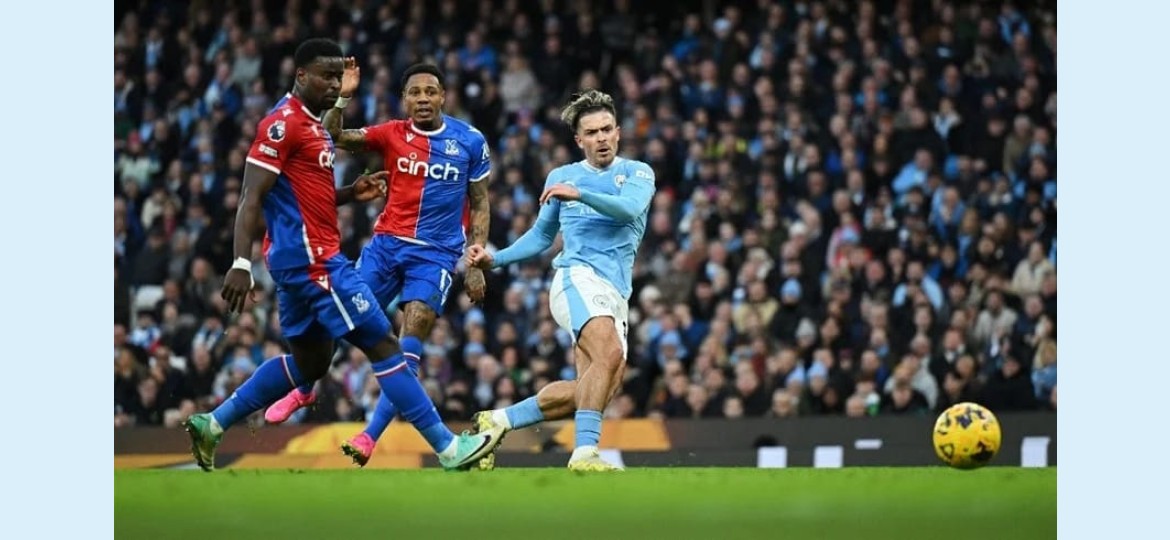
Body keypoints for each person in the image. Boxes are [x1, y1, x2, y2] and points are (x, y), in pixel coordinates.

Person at [181, 39, 502, 472]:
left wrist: (350, 193)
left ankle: (214, 423)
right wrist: (241, 262)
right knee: (384, 345)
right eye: (327, 77)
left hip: (302, 262)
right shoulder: (284, 124)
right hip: (316, 262)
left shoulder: (311, 125)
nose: (334, 84)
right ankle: (448, 448)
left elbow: (306, 198)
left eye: (338, 77)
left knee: (312, 361)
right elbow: (250, 196)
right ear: (301, 76)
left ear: (445, 95)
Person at [262, 60, 493, 468]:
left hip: (436, 256)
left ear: (443, 96)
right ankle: (306, 387)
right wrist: (343, 97)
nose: (423, 99)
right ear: (404, 99)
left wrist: (474, 263)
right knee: (340, 318)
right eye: (415, 92)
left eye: (431, 91)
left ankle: (370, 434)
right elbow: (331, 136)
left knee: (410, 338)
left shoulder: (470, 141)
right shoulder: (390, 133)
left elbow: (480, 202)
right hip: (385, 247)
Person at [466, 89, 655, 471]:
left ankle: (497, 421)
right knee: (609, 354)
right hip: (576, 278)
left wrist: (580, 194)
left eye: (607, 129)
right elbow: (541, 236)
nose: (601, 138)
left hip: (616, 292)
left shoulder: (638, 173)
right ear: (579, 140)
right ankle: (584, 454)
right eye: (592, 132)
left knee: (596, 388)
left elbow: (629, 209)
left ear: (618, 132)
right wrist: (495, 260)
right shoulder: (562, 176)